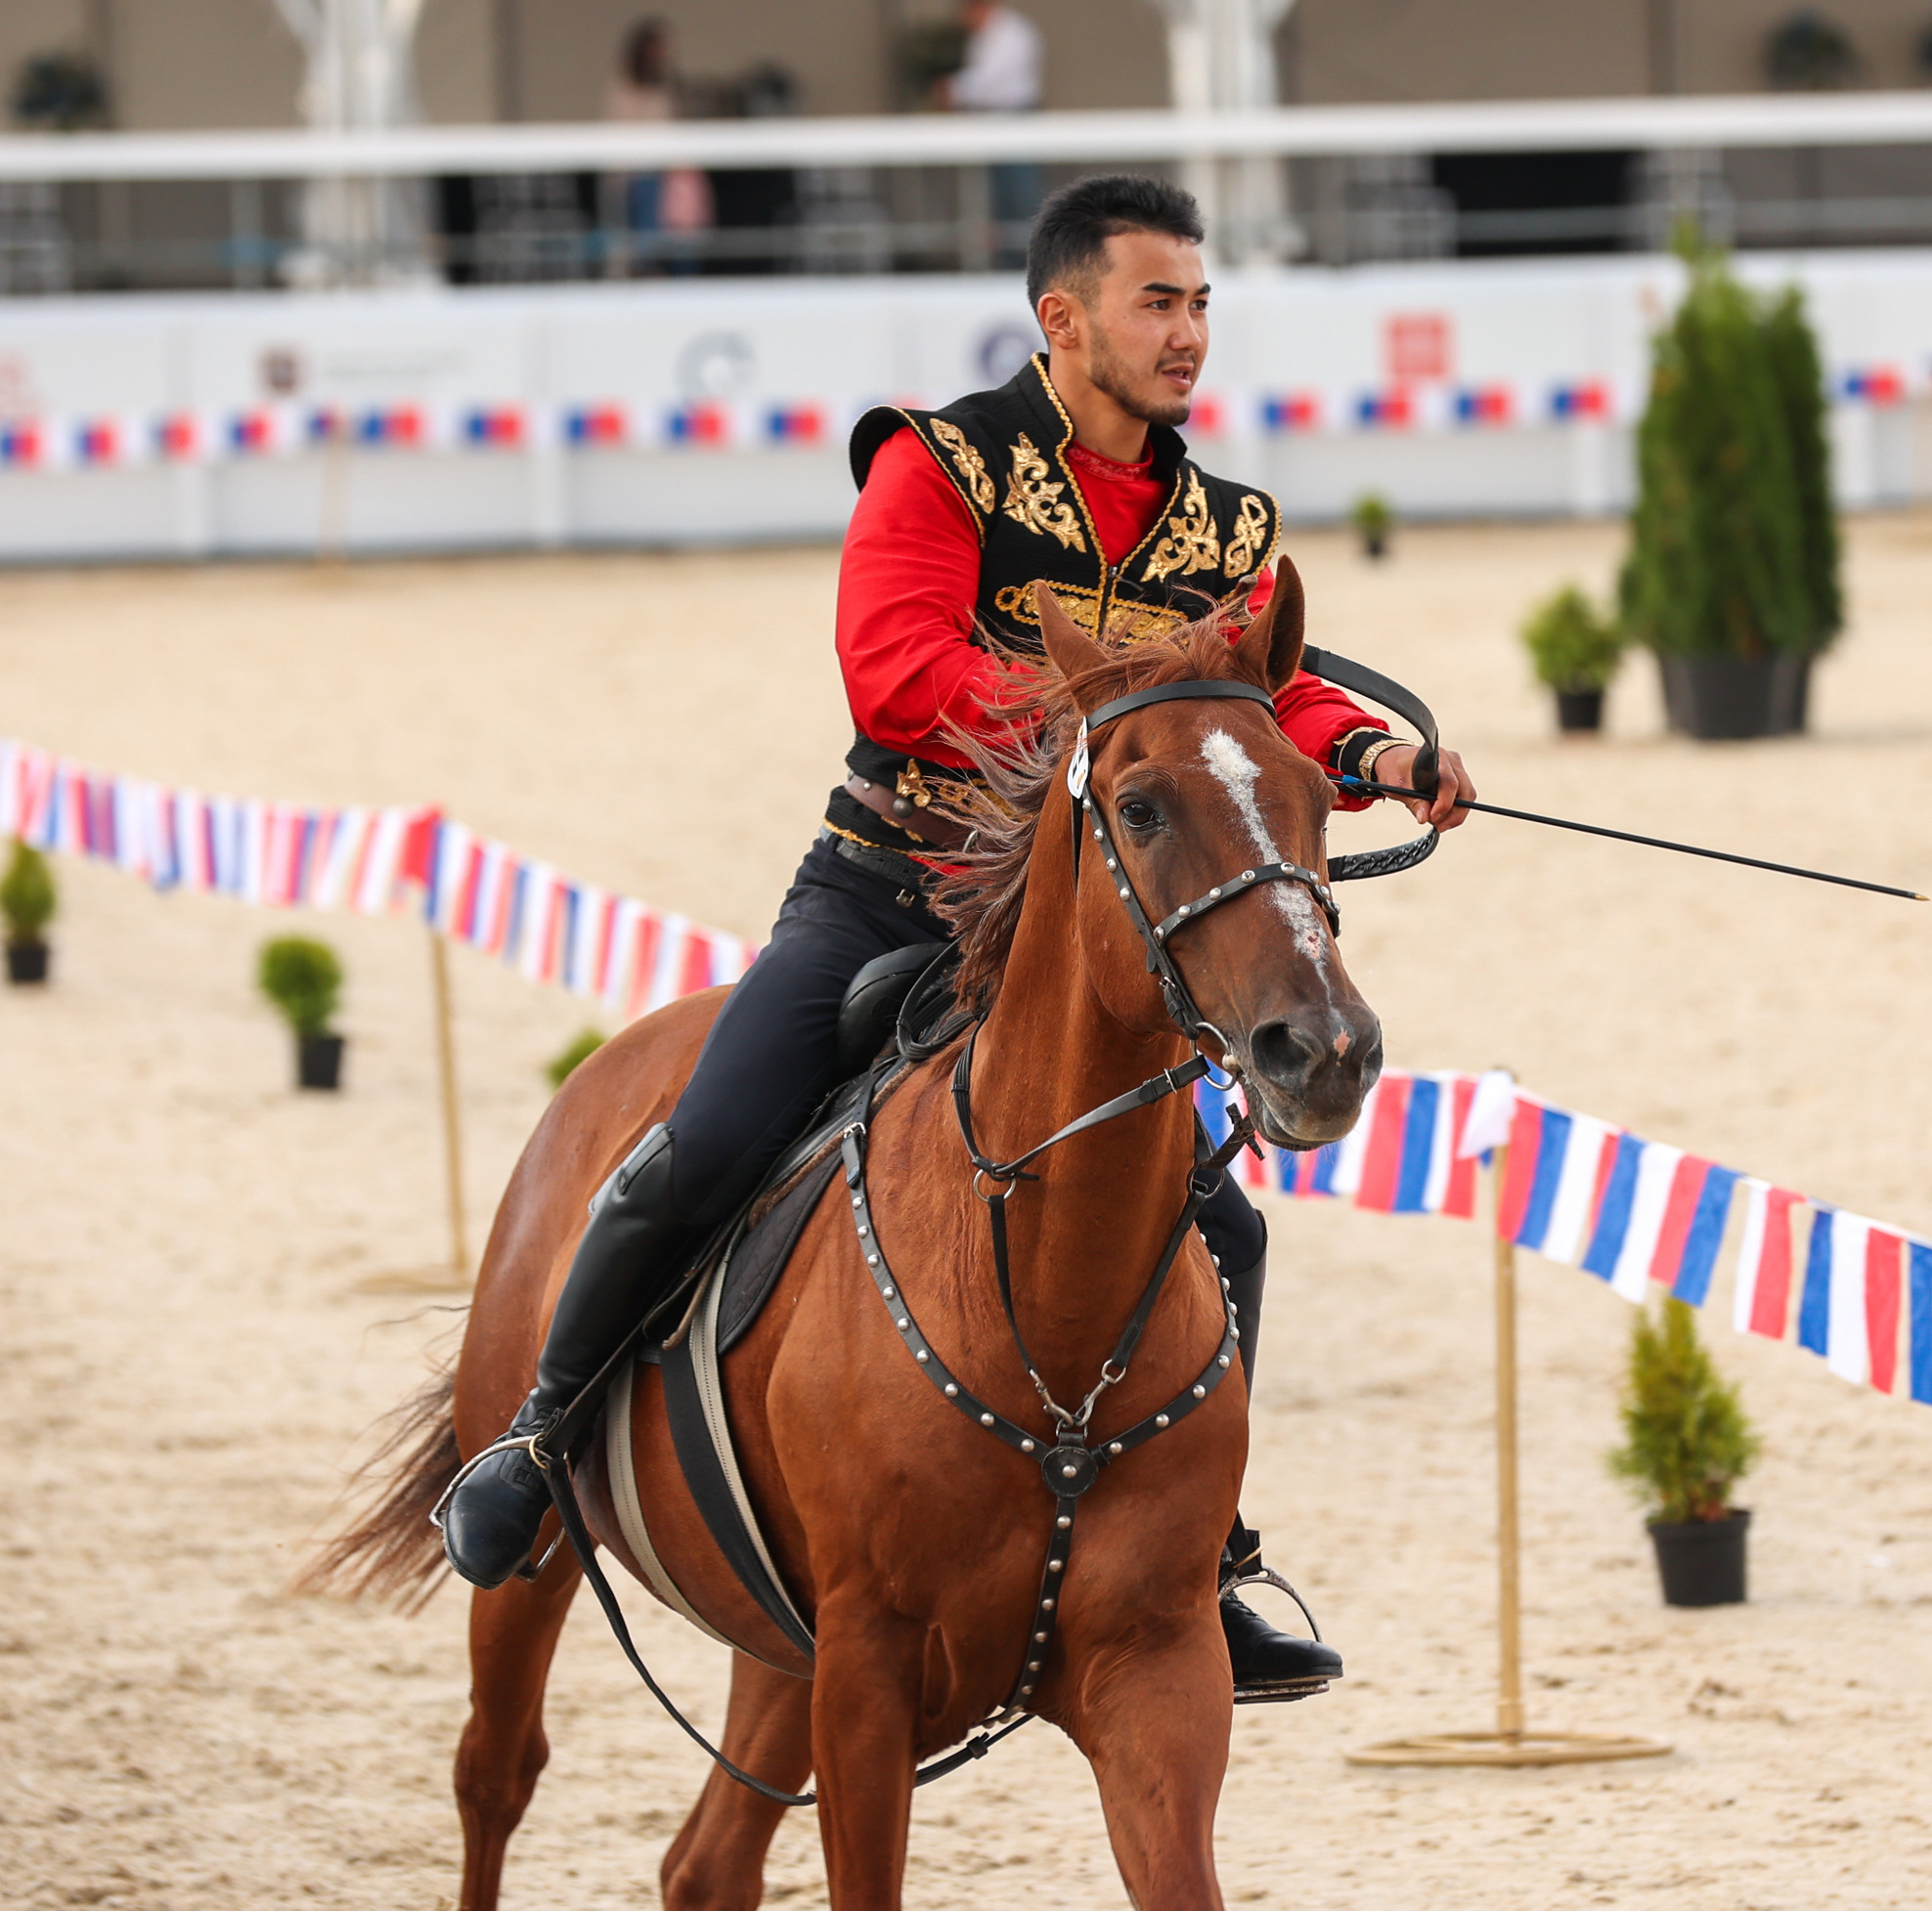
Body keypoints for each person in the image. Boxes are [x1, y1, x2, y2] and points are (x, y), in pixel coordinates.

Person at [441, 174, 1473, 1698]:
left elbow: (1264, 696)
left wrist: (1378, 755)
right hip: (890, 890)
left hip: (1096, 919)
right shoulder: (938, 467)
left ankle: (1205, 1557)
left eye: (1199, 305)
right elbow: (898, 669)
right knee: (708, 1138)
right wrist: (1117, 722)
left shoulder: (1224, 522)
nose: (1188, 335)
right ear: (1060, 321)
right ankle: (535, 1439)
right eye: (1156, 303)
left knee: (1229, 1225)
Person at [943, 0, 1045, 260]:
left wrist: (953, 90)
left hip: (1013, 116)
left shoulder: (1012, 33)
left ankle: (1031, 261)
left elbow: (990, 80)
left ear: (980, 6)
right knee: (998, 198)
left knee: (1020, 194)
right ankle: (1010, 260)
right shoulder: (986, 36)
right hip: (992, 118)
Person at [605, 17, 712, 274]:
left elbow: (678, 129)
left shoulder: (668, 87)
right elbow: (622, 134)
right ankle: (647, 268)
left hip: (671, 172)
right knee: (648, 193)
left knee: (687, 202)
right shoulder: (623, 89)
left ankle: (684, 276)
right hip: (638, 173)